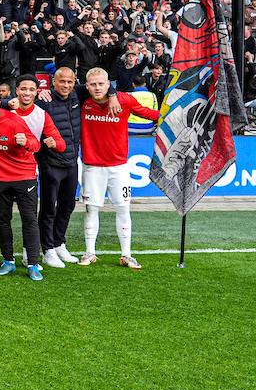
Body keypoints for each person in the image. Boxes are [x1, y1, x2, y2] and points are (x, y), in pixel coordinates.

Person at [79, 67, 158, 269]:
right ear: (86, 86)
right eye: (93, 84)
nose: (97, 88)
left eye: (101, 84)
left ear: (109, 84)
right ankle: (90, 253)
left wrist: (178, 117)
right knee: (91, 209)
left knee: (123, 207)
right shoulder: (81, 101)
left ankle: (126, 255)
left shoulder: (125, 100)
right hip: (92, 166)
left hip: (119, 166)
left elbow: (150, 114)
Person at [0, 90, 52, 281]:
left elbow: (35, 144)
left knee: (29, 220)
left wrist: (26, 143)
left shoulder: (14, 121)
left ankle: (33, 263)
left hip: (24, 176)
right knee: (3, 221)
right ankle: (8, 260)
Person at [13, 73, 75, 268]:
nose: (27, 93)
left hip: (32, 169)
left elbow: (60, 142)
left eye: (32, 89)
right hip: (3, 171)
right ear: (16, 91)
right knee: (3, 217)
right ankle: (1, 256)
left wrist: (54, 142)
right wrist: (7, 101)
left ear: (37, 91)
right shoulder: (7, 109)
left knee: (35, 214)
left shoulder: (42, 113)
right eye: (23, 89)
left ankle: (48, 249)